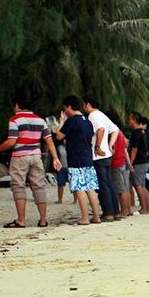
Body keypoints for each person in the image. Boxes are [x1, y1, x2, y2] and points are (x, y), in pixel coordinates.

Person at [0, 93, 60, 228]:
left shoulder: (15, 120)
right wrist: (55, 158)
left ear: (17, 106)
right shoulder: (40, 120)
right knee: (39, 186)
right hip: (36, 156)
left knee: (18, 186)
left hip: (19, 157)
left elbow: (11, 142)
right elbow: (49, 140)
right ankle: (42, 220)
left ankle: (21, 220)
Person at [55, 96, 101, 225]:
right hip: (87, 157)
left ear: (69, 107)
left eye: (65, 109)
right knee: (90, 188)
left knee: (79, 187)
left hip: (76, 158)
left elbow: (59, 136)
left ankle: (85, 217)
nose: (64, 111)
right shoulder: (87, 120)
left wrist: (62, 121)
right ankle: (96, 216)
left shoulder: (71, 120)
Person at [82, 96, 119, 221]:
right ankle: (115, 212)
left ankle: (108, 213)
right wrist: (110, 145)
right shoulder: (102, 115)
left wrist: (97, 146)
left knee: (102, 185)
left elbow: (101, 130)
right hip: (107, 154)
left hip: (98, 156)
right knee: (109, 183)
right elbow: (115, 130)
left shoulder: (93, 116)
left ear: (87, 104)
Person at [127, 112, 149, 214]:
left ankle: (145, 208)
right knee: (142, 185)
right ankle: (146, 207)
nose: (128, 121)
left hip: (139, 162)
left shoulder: (136, 133)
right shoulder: (143, 132)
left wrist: (130, 163)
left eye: (129, 119)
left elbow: (134, 149)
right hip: (145, 161)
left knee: (138, 185)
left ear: (133, 120)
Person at [108, 114, 132, 217]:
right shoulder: (120, 133)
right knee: (124, 188)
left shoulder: (113, 133)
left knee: (120, 189)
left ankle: (124, 211)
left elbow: (112, 149)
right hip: (122, 162)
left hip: (116, 163)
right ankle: (127, 209)